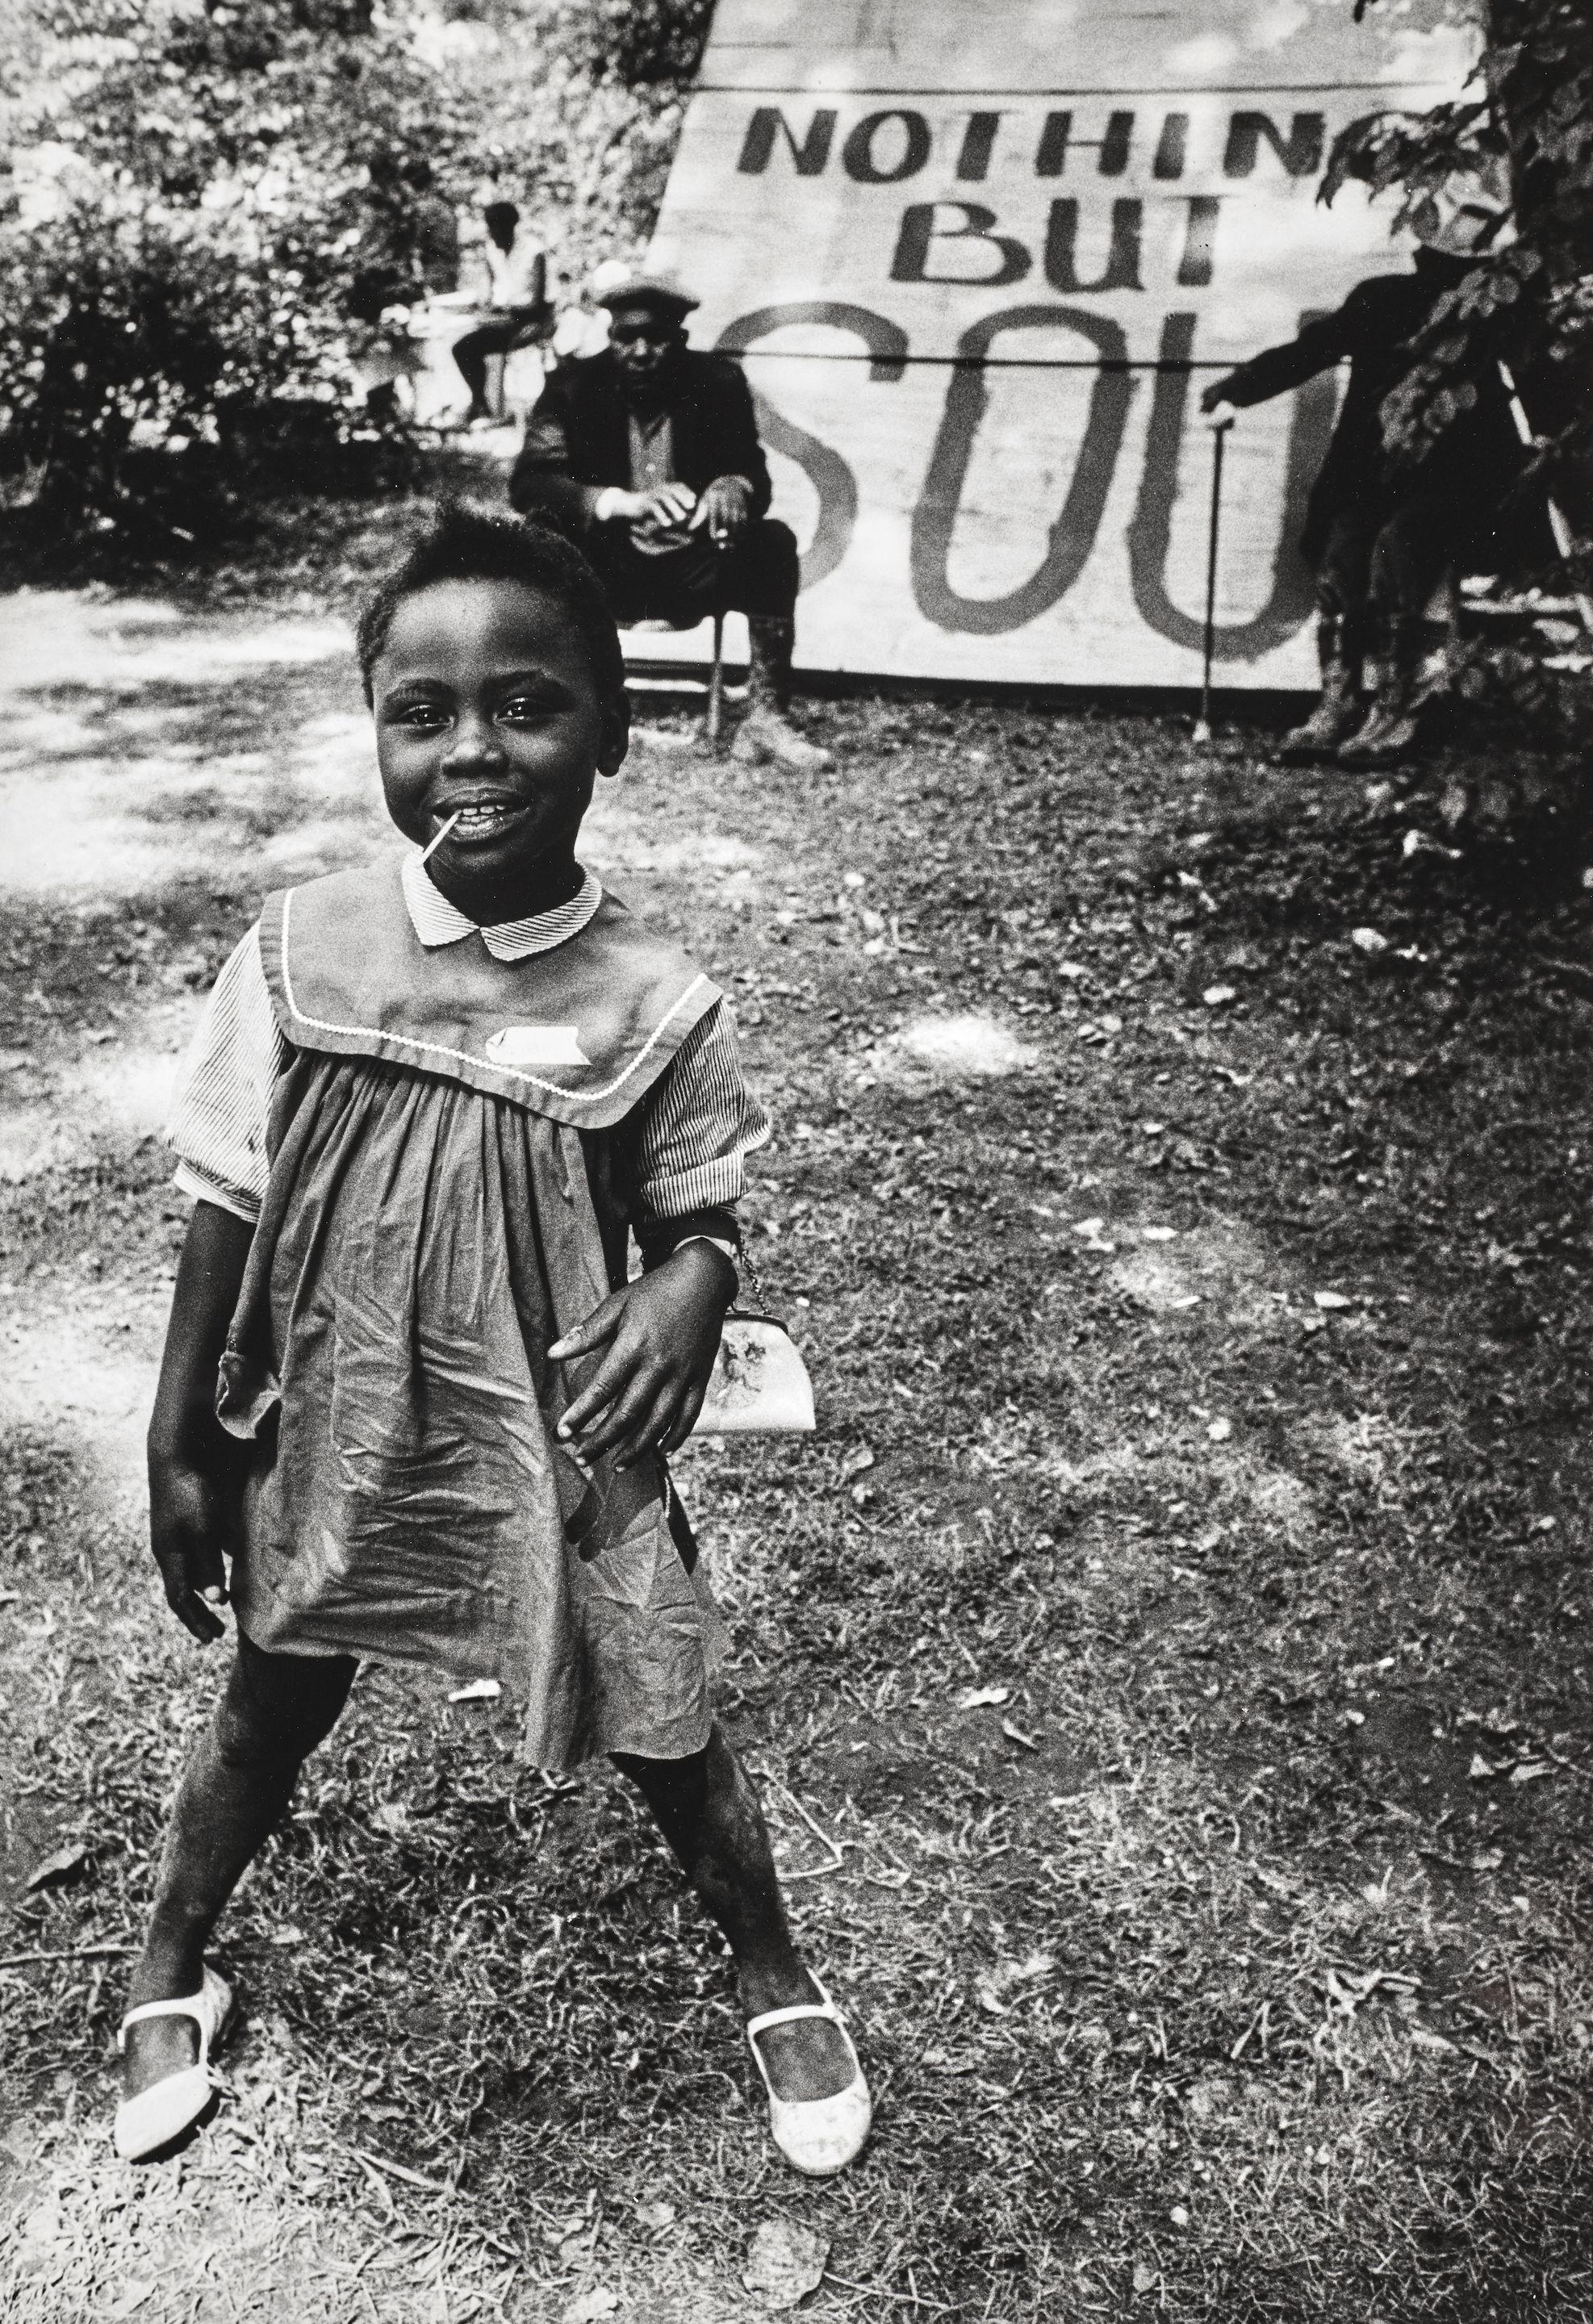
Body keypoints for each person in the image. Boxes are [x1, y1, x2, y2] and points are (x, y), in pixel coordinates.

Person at [115, 504, 871, 2184]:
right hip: (330, 1421)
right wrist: (179, 1442)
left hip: (556, 1429)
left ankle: (772, 1970)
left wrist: (692, 1288)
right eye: (422, 709)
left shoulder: (653, 996)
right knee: (270, 1703)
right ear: (375, 724)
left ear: (611, 722)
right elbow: (223, 1203)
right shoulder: (300, 950)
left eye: (526, 705)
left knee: (658, 1700)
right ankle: (170, 1961)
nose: (473, 748)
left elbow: (699, 1216)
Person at [1202, 173, 1523, 767]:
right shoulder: (1382, 299)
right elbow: (1312, 350)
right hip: (1371, 469)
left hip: (1452, 473)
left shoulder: (1498, 314)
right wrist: (1237, 389)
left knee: (1396, 556)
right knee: (1343, 562)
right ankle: (1339, 703)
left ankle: (1394, 710)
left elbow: (1543, 384)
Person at [508, 270, 830, 774]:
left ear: (679, 340)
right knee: (540, 539)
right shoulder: (571, 388)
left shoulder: (719, 383)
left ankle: (767, 714)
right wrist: (619, 502)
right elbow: (531, 484)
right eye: (626, 338)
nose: (640, 352)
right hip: (605, 570)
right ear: (609, 337)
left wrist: (733, 487)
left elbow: (753, 475)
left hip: (694, 567)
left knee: (772, 541)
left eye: (655, 339)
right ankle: (548, 710)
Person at [450, 200, 550, 427]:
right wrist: (486, 306)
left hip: (530, 321)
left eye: (498, 227)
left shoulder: (534, 251)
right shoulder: (492, 249)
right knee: (462, 348)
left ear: (510, 226)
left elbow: (538, 302)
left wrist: (507, 311)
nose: (493, 233)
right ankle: (481, 403)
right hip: (503, 319)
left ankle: (485, 406)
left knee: (474, 345)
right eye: (491, 227)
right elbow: (492, 288)